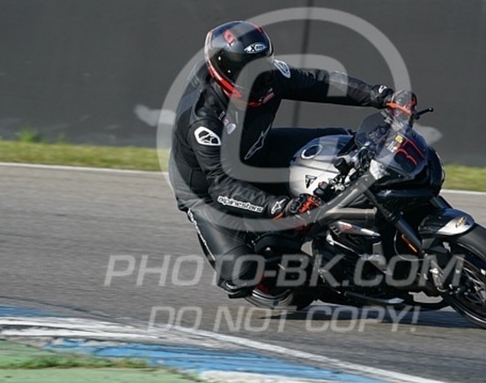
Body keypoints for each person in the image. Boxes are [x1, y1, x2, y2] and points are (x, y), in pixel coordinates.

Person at [169, 20, 396, 298]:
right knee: (242, 274)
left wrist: (380, 96)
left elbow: (318, 82)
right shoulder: (203, 119)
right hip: (207, 190)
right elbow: (221, 186)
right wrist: (277, 205)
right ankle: (306, 280)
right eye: (243, 71)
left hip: (258, 148)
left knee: (347, 145)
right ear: (220, 68)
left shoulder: (271, 76)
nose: (255, 78)